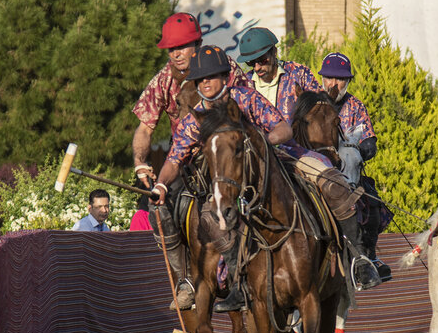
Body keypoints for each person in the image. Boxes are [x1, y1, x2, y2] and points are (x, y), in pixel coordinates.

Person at [153, 46, 380, 311]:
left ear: (225, 77)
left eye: (211, 76)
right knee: (209, 217)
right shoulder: (194, 119)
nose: (205, 83)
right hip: (231, 181)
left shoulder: (246, 98)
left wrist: (260, 143)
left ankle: (359, 259)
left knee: (336, 185)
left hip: (283, 157)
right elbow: (173, 159)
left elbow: (283, 129)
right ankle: (232, 284)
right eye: (201, 79)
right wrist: (160, 184)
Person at [131, 12, 249, 310]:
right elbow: (145, 128)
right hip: (185, 159)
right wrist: (140, 162)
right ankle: (184, 281)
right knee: (158, 207)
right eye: (171, 49)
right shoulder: (162, 80)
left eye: (181, 47)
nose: (175, 54)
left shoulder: (226, 68)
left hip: (228, 153)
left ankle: (253, 271)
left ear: (197, 43)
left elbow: (248, 106)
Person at [315, 51, 392, 280]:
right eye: (329, 78)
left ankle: (367, 257)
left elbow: (370, 141)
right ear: (322, 79)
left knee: (373, 201)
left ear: (347, 82)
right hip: (318, 165)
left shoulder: (356, 106)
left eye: (339, 79)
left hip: (349, 172)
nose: (333, 84)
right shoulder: (313, 103)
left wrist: (363, 147)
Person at [237, 26, 320, 118]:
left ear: (274, 52)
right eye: (251, 63)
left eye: (262, 60)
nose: (257, 68)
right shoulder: (244, 85)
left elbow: (322, 108)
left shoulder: (299, 74)